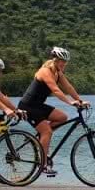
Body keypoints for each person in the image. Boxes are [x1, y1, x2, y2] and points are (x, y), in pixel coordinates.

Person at [18, 47, 90, 175]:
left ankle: (40, 138)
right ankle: (43, 165)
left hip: (38, 105)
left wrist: (79, 100)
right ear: (55, 60)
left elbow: (68, 87)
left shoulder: (58, 72)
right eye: (61, 61)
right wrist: (70, 102)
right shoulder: (45, 71)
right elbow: (56, 90)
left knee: (62, 117)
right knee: (47, 131)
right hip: (28, 106)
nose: (64, 64)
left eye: (65, 62)